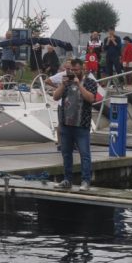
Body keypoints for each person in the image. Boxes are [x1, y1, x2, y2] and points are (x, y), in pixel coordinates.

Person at [52, 58, 97, 190]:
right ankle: (67, 180)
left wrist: (79, 85)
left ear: (82, 69)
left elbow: (91, 98)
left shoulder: (90, 82)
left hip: (81, 125)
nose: (74, 72)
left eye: (76, 70)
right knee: (66, 154)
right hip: (66, 124)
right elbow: (55, 97)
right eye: (71, 70)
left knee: (84, 154)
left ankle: (85, 181)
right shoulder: (66, 82)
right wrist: (62, 85)